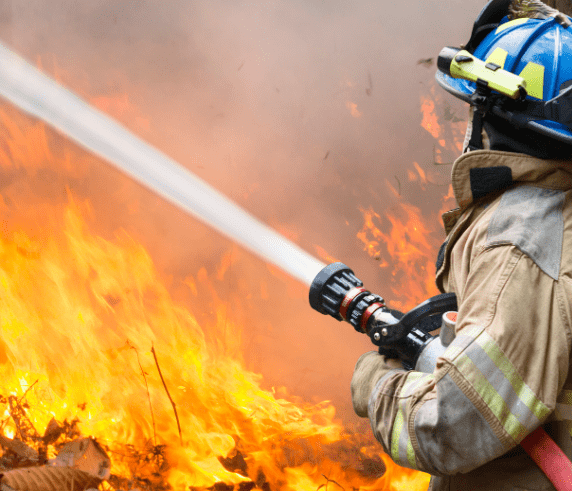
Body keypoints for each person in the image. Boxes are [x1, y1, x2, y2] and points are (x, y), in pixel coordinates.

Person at [350, 1, 572, 490]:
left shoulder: (520, 241)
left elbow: (453, 425)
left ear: (494, 118)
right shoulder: (555, 212)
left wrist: (374, 383)